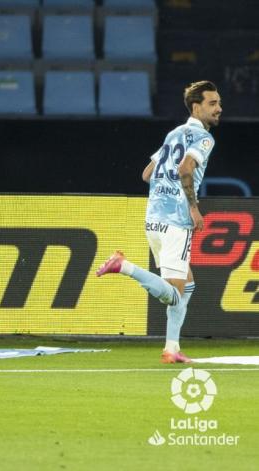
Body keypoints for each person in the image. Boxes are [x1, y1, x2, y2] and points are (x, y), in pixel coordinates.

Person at [96, 81, 222, 364]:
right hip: (177, 220)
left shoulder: (174, 133)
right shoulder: (203, 138)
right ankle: (124, 266)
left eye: (219, 103)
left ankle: (172, 348)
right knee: (174, 296)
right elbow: (185, 169)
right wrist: (193, 207)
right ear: (196, 107)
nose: (219, 109)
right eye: (212, 104)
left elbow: (146, 173)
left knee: (186, 287)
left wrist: (165, 184)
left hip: (153, 218)